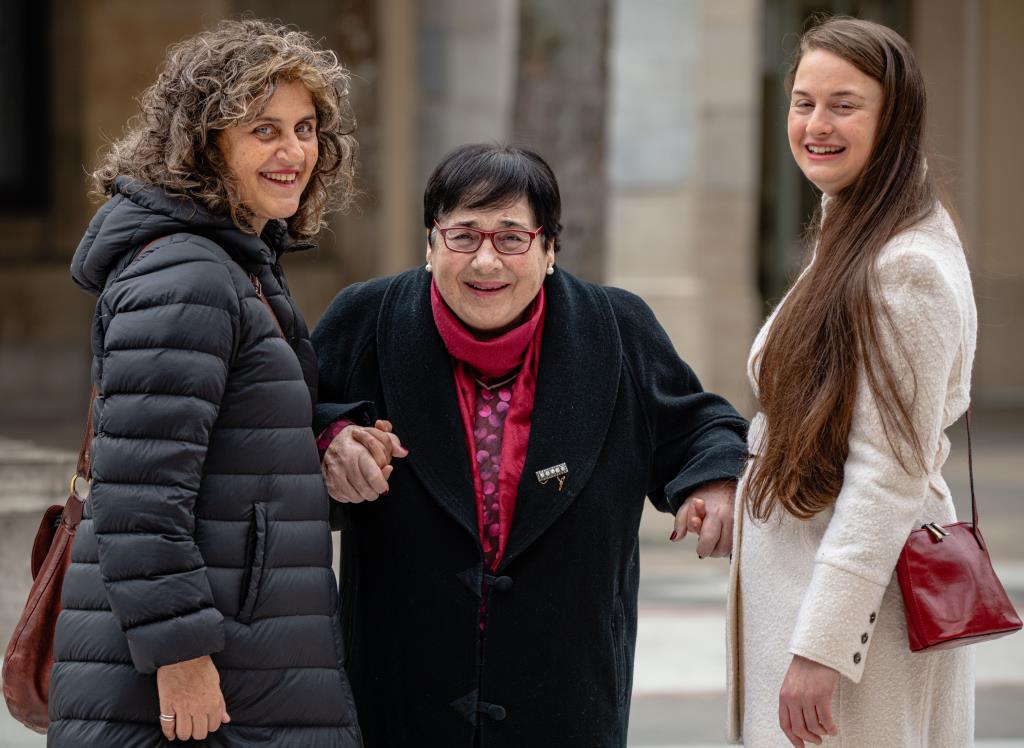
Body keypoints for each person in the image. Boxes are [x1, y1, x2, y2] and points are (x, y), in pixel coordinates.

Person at [311, 143, 749, 747]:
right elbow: (284, 418)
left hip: (567, 700)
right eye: (464, 234)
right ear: (430, 244)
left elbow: (702, 425)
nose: (486, 261)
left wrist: (715, 482)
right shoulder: (367, 320)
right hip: (400, 702)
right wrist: (330, 438)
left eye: (512, 237)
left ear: (548, 251)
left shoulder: (615, 330)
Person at [53, 19, 362, 746]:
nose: (294, 152)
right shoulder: (187, 274)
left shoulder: (235, 262)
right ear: (205, 143)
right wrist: (181, 655)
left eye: (306, 128)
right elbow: (139, 495)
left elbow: (230, 449)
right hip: (201, 681)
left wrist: (329, 444)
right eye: (264, 130)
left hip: (247, 657)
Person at [725, 17, 977, 747]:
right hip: (815, 597)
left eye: (844, 104)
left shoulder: (906, 265)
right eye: (803, 102)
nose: (815, 124)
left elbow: (888, 475)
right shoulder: (858, 225)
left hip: (859, 632)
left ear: (894, 118)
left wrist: (824, 648)